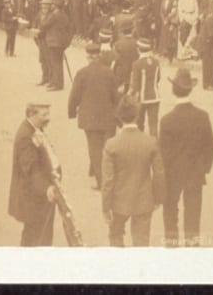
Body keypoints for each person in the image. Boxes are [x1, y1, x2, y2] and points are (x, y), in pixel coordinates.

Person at [158, 68, 213, 247]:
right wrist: (203, 168)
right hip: (195, 173)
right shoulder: (202, 116)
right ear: (191, 89)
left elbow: (163, 153)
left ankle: (172, 244)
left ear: (174, 91)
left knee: (170, 210)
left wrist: (163, 173)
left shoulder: (167, 120)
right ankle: (192, 247)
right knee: (193, 212)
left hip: (172, 173)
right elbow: (209, 147)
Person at [102, 98, 163, 247]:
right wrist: (158, 199)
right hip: (144, 200)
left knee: (115, 236)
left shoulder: (111, 144)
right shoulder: (150, 141)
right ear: (137, 116)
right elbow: (159, 173)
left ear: (119, 117)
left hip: (118, 202)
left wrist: (105, 207)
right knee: (141, 242)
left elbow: (108, 181)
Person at [68, 41, 120, 190]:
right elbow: (115, 96)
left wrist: (72, 112)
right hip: (108, 117)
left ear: (88, 57)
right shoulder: (109, 73)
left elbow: (74, 96)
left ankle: (102, 181)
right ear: (99, 56)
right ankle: (110, 179)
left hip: (89, 118)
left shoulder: (82, 73)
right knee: (108, 150)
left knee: (95, 151)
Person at [9, 101, 61, 246]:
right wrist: (47, 188)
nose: (48, 118)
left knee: (36, 235)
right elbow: (31, 170)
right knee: (37, 237)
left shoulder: (34, 128)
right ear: (32, 114)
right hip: (34, 198)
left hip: (39, 195)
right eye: (44, 115)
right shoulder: (25, 136)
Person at [127, 36, 164, 136]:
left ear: (138, 49)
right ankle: (154, 147)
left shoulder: (137, 64)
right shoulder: (156, 62)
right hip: (155, 97)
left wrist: (129, 94)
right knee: (153, 126)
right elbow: (158, 78)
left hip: (141, 99)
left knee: (139, 125)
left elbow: (135, 84)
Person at [39, 0, 72, 91]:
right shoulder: (64, 15)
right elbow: (69, 29)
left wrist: (44, 16)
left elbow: (43, 25)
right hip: (61, 42)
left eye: (52, 4)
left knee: (55, 63)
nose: (51, 6)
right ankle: (55, 82)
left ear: (56, 6)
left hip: (54, 42)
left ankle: (57, 84)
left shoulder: (54, 15)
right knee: (57, 63)